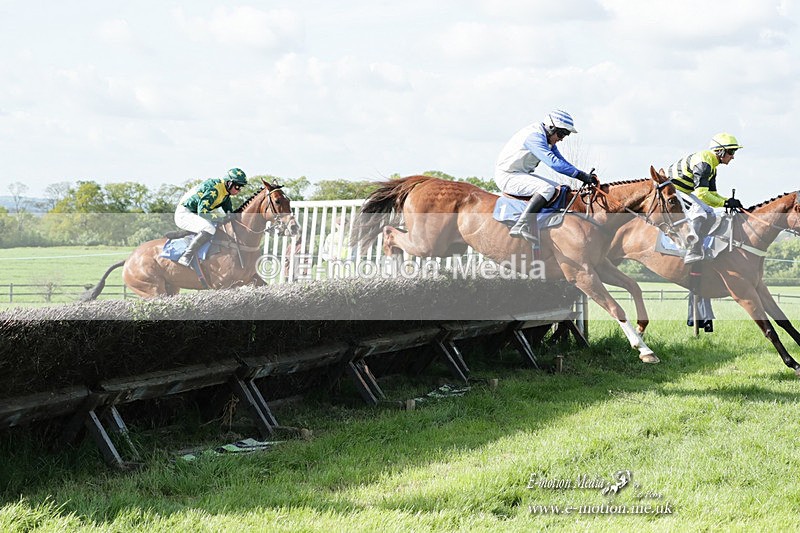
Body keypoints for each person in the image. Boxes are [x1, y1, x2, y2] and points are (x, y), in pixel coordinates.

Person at [494, 109, 598, 243]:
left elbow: (561, 160)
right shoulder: (535, 137)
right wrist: (580, 175)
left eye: (565, 135)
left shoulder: (546, 137)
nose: (561, 139)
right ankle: (520, 225)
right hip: (508, 176)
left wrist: (582, 174)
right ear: (551, 127)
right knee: (547, 189)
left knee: (561, 189)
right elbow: (554, 163)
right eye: (561, 134)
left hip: (520, 174)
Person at [666, 133, 744, 263]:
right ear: (720, 151)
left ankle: (697, 247)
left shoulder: (712, 166)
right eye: (731, 151)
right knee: (700, 211)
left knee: (711, 214)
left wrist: (729, 201)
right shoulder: (705, 163)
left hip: (682, 190)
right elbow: (702, 194)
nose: (733, 156)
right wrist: (725, 203)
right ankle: (691, 250)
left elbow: (711, 194)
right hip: (672, 190)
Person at [174, 168, 247, 267]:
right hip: (184, 213)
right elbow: (202, 212)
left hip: (194, 213)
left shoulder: (225, 194)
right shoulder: (215, 189)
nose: (239, 190)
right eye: (238, 186)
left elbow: (230, 214)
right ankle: (186, 255)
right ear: (229, 183)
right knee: (209, 228)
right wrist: (221, 218)